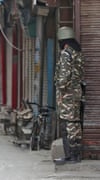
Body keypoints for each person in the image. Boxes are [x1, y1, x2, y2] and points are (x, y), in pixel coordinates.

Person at [54, 26, 85, 165]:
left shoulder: (66, 53)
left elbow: (64, 77)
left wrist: (60, 89)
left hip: (67, 95)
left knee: (68, 124)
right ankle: (75, 154)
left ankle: (71, 155)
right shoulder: (77, 52)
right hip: (77, 92)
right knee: (75, 123)